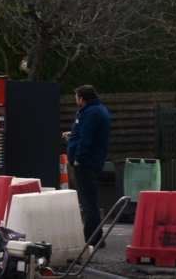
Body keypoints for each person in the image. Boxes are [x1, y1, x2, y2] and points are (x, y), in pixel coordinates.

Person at [63, 84, 111, 248]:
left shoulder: (89, 113)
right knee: (90, 199)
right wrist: (73, 135)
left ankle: (91, 237)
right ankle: (97, 235)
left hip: (86, 162)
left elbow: (87, 138)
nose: (76, 100)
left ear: (81, 99)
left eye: (76, 97)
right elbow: (90, 134)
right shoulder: (100, 110)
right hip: (94, 160)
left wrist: (78, 159)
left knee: (89, 202)